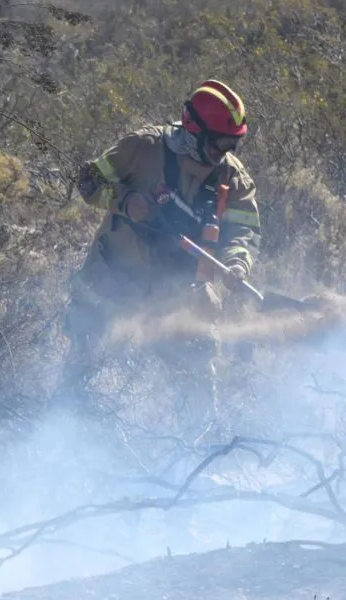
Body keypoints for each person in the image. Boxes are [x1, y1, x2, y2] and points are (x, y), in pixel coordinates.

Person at [56, 79, 262, 446]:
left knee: (198, 372)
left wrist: (236, 263)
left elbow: (244, 231)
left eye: (234, 144)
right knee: (84, 361)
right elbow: (88, 181)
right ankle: (56, 439)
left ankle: (201, 453)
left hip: (181, 295)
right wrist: (125, 201)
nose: (227, 152)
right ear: (195, 131)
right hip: (111, 282)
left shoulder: (233, 177)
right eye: (221, 143)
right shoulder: (143, 148)